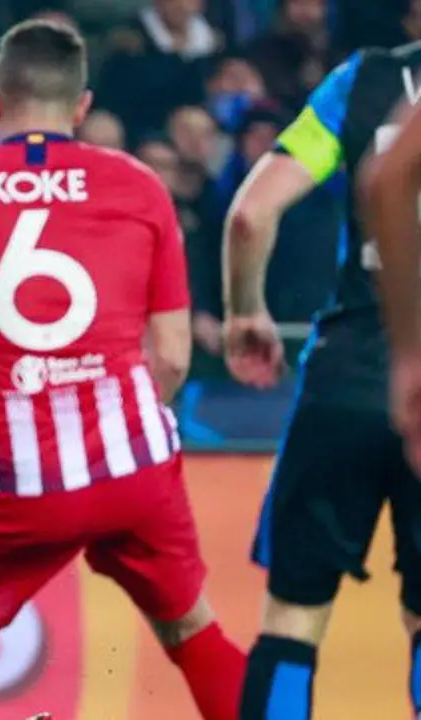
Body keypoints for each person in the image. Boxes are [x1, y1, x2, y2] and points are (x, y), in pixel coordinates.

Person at [0, 19, 246, 720]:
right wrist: (109, 433)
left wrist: (10, 456)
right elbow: (170, 355)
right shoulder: (139, 185)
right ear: (81, 106)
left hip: (13, 469)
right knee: (192, 626)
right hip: (135, 460)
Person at [226, 42, 421, 719]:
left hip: (345, 380)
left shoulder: (360, 82)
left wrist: (245, 309)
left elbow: (251, 213)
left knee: (293, 619)